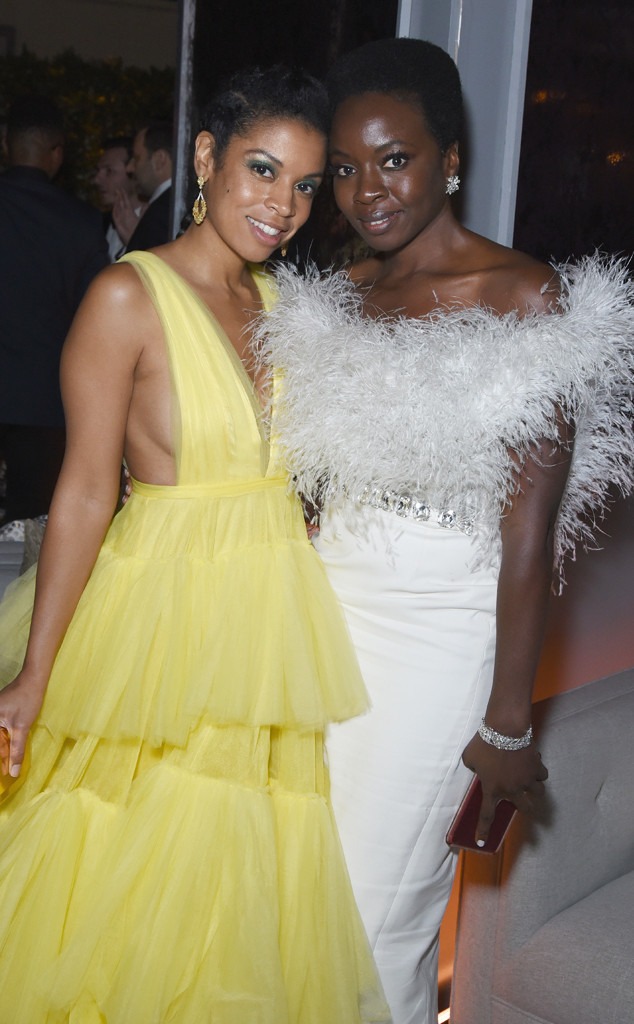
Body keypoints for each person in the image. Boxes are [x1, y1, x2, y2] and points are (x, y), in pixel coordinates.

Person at [0, 67, 389, 1024]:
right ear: (207, 160)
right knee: (131, 870)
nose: (283, 206)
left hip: (265, 619)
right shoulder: (127, 297)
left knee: (245, 866)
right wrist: (34, 676)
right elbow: (87, 491)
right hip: (161, 620)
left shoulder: (283, 306)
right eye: (261, 170)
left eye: (303, 185)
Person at [258, 38, 634, 1024]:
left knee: (379, 913)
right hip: (323, 626)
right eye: (343, 166)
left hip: (436, 642)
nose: (365, 188)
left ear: (450, 159)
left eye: (395, 158)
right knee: (300, 895)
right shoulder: (338, 303)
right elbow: (310, 497)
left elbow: (530, 535)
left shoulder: (524, 298)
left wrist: (508, 721)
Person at [0, 96, 109, 525]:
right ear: (57, 153)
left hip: (36, 401)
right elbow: (95, 319)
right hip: (43, 403)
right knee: (33, 535)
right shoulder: (81, 221)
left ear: (7, 145)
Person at [121, 120, 173, 252]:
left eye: (136, 158)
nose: (129, 168)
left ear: (159, 160)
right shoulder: (174, 205)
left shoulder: (161, 214)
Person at [92, 135, 144, 260]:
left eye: (109, 171)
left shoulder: (157, 224)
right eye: (98, 171)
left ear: (134, 170)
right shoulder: (98, 225)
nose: (97, 180)